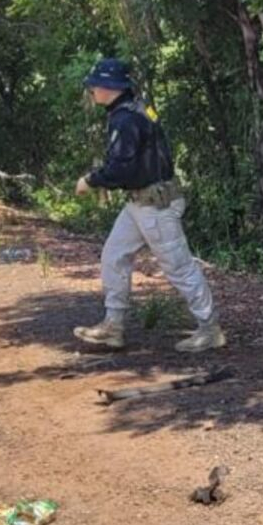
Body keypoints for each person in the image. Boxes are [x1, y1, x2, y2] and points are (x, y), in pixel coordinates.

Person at [72, 58, 225, 352]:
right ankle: (113, 326)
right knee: (114, 255)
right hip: (140, 202)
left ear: (109, 87)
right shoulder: (136, 108)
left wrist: (91, 180)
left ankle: (210, 329)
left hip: (155, 206)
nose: (91, 91)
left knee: (179, 267)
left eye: (94, 86)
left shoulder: (125, 119)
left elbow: (121, 169)